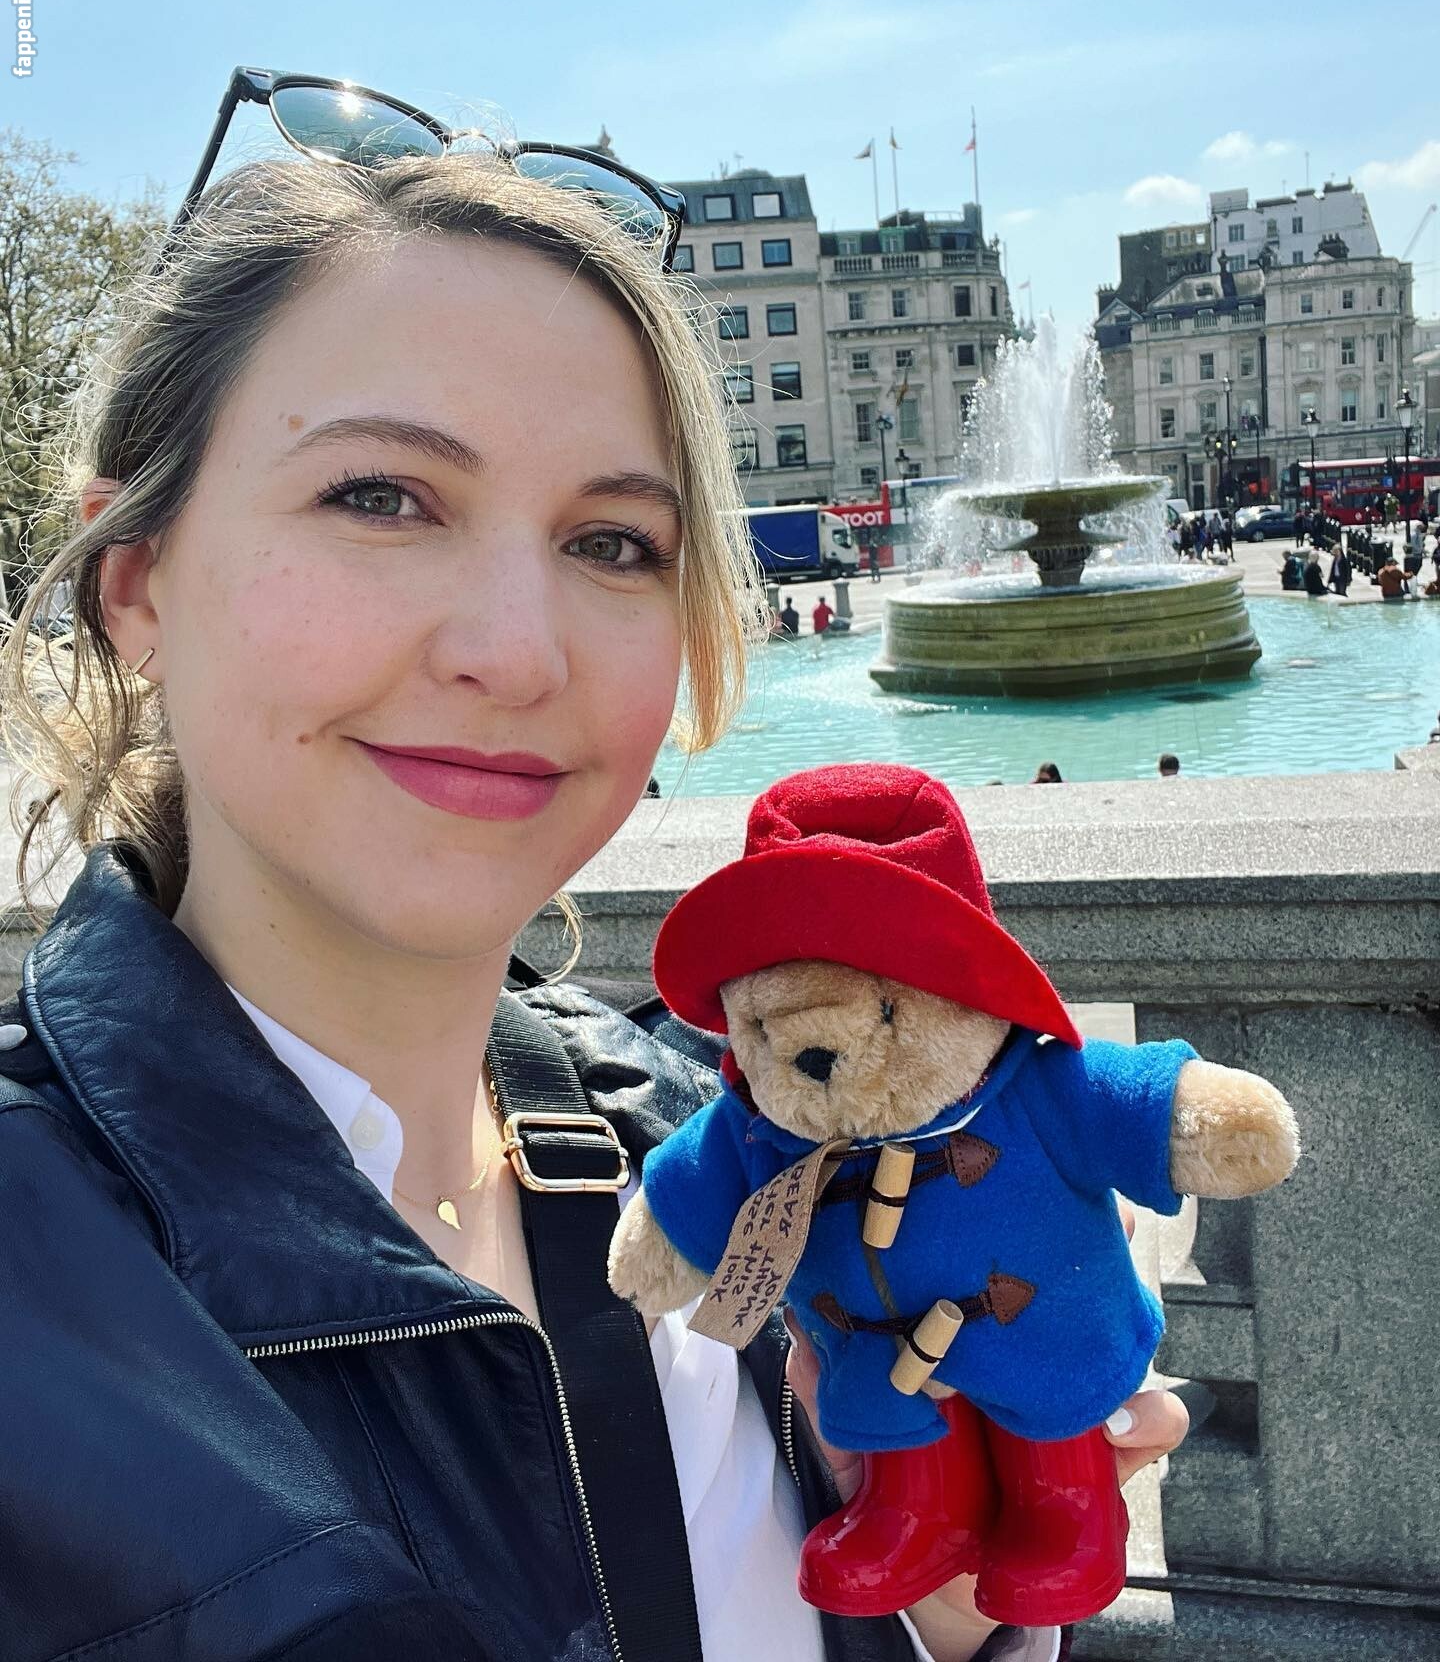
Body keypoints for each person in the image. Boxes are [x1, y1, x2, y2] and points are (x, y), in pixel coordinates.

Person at [4, 114, 1196, 1661]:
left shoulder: (712, 1143)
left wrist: (944, 1629)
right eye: (381, 497)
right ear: (137, 582)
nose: (519, 651)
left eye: (615, 542)